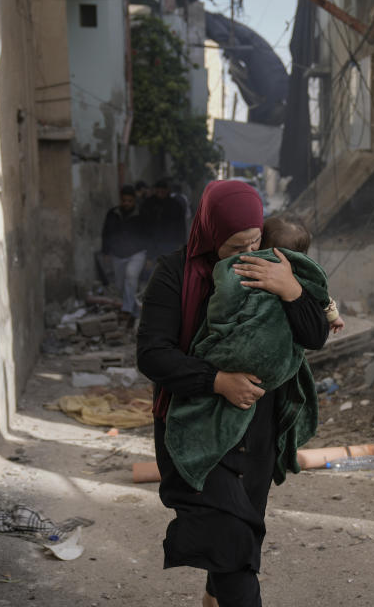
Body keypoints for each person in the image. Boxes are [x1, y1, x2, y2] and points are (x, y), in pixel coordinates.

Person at [136, 180, 329, 607]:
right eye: (233, 246)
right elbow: (152, 355)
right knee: (231, 543)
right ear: (209, 233)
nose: (244, 254)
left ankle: (213, 596)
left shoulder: (274, 265)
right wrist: (217, 380)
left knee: (239, 536)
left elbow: (315, 336)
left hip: (256, 431)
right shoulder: (175, 274)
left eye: (253, 241)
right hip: (196, 429)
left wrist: (291, 289)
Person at [261, 215, 345, 333]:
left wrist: (333, 317)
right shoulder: (306, 274)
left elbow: (321, 296)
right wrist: (334, 317)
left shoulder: (257, 266)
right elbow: (321, 295)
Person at [101, 185, 149, 322]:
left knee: (131, 276)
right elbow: (106, 233)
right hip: (118, 254)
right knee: (121, 285)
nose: (126, 203)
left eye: (129, 201)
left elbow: (149, 235)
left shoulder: (142, 214)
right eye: (124, 200)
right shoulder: (113, 213)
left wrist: (150, 256)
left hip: (137, 253)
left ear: (134, 200)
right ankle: (134, 312)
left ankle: (126, 311)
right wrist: (106, 251)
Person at [143, 178, 186, 258]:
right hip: (153, 242)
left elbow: (181, 225)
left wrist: (181, 242)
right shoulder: (148, 203)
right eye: (158, 191)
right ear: (155, 190)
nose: (160, 193)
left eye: (162, 191)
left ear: (167, 190)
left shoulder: (175, 205)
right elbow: (143, 223)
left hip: (170, 242)